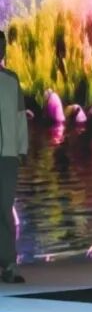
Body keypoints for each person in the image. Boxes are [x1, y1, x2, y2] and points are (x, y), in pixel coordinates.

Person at [0, 31, 28, 284]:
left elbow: (20, 117)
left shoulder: (11, 80)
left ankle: (8, 265)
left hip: (8, 155)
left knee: (5, 208)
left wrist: (22, 149)